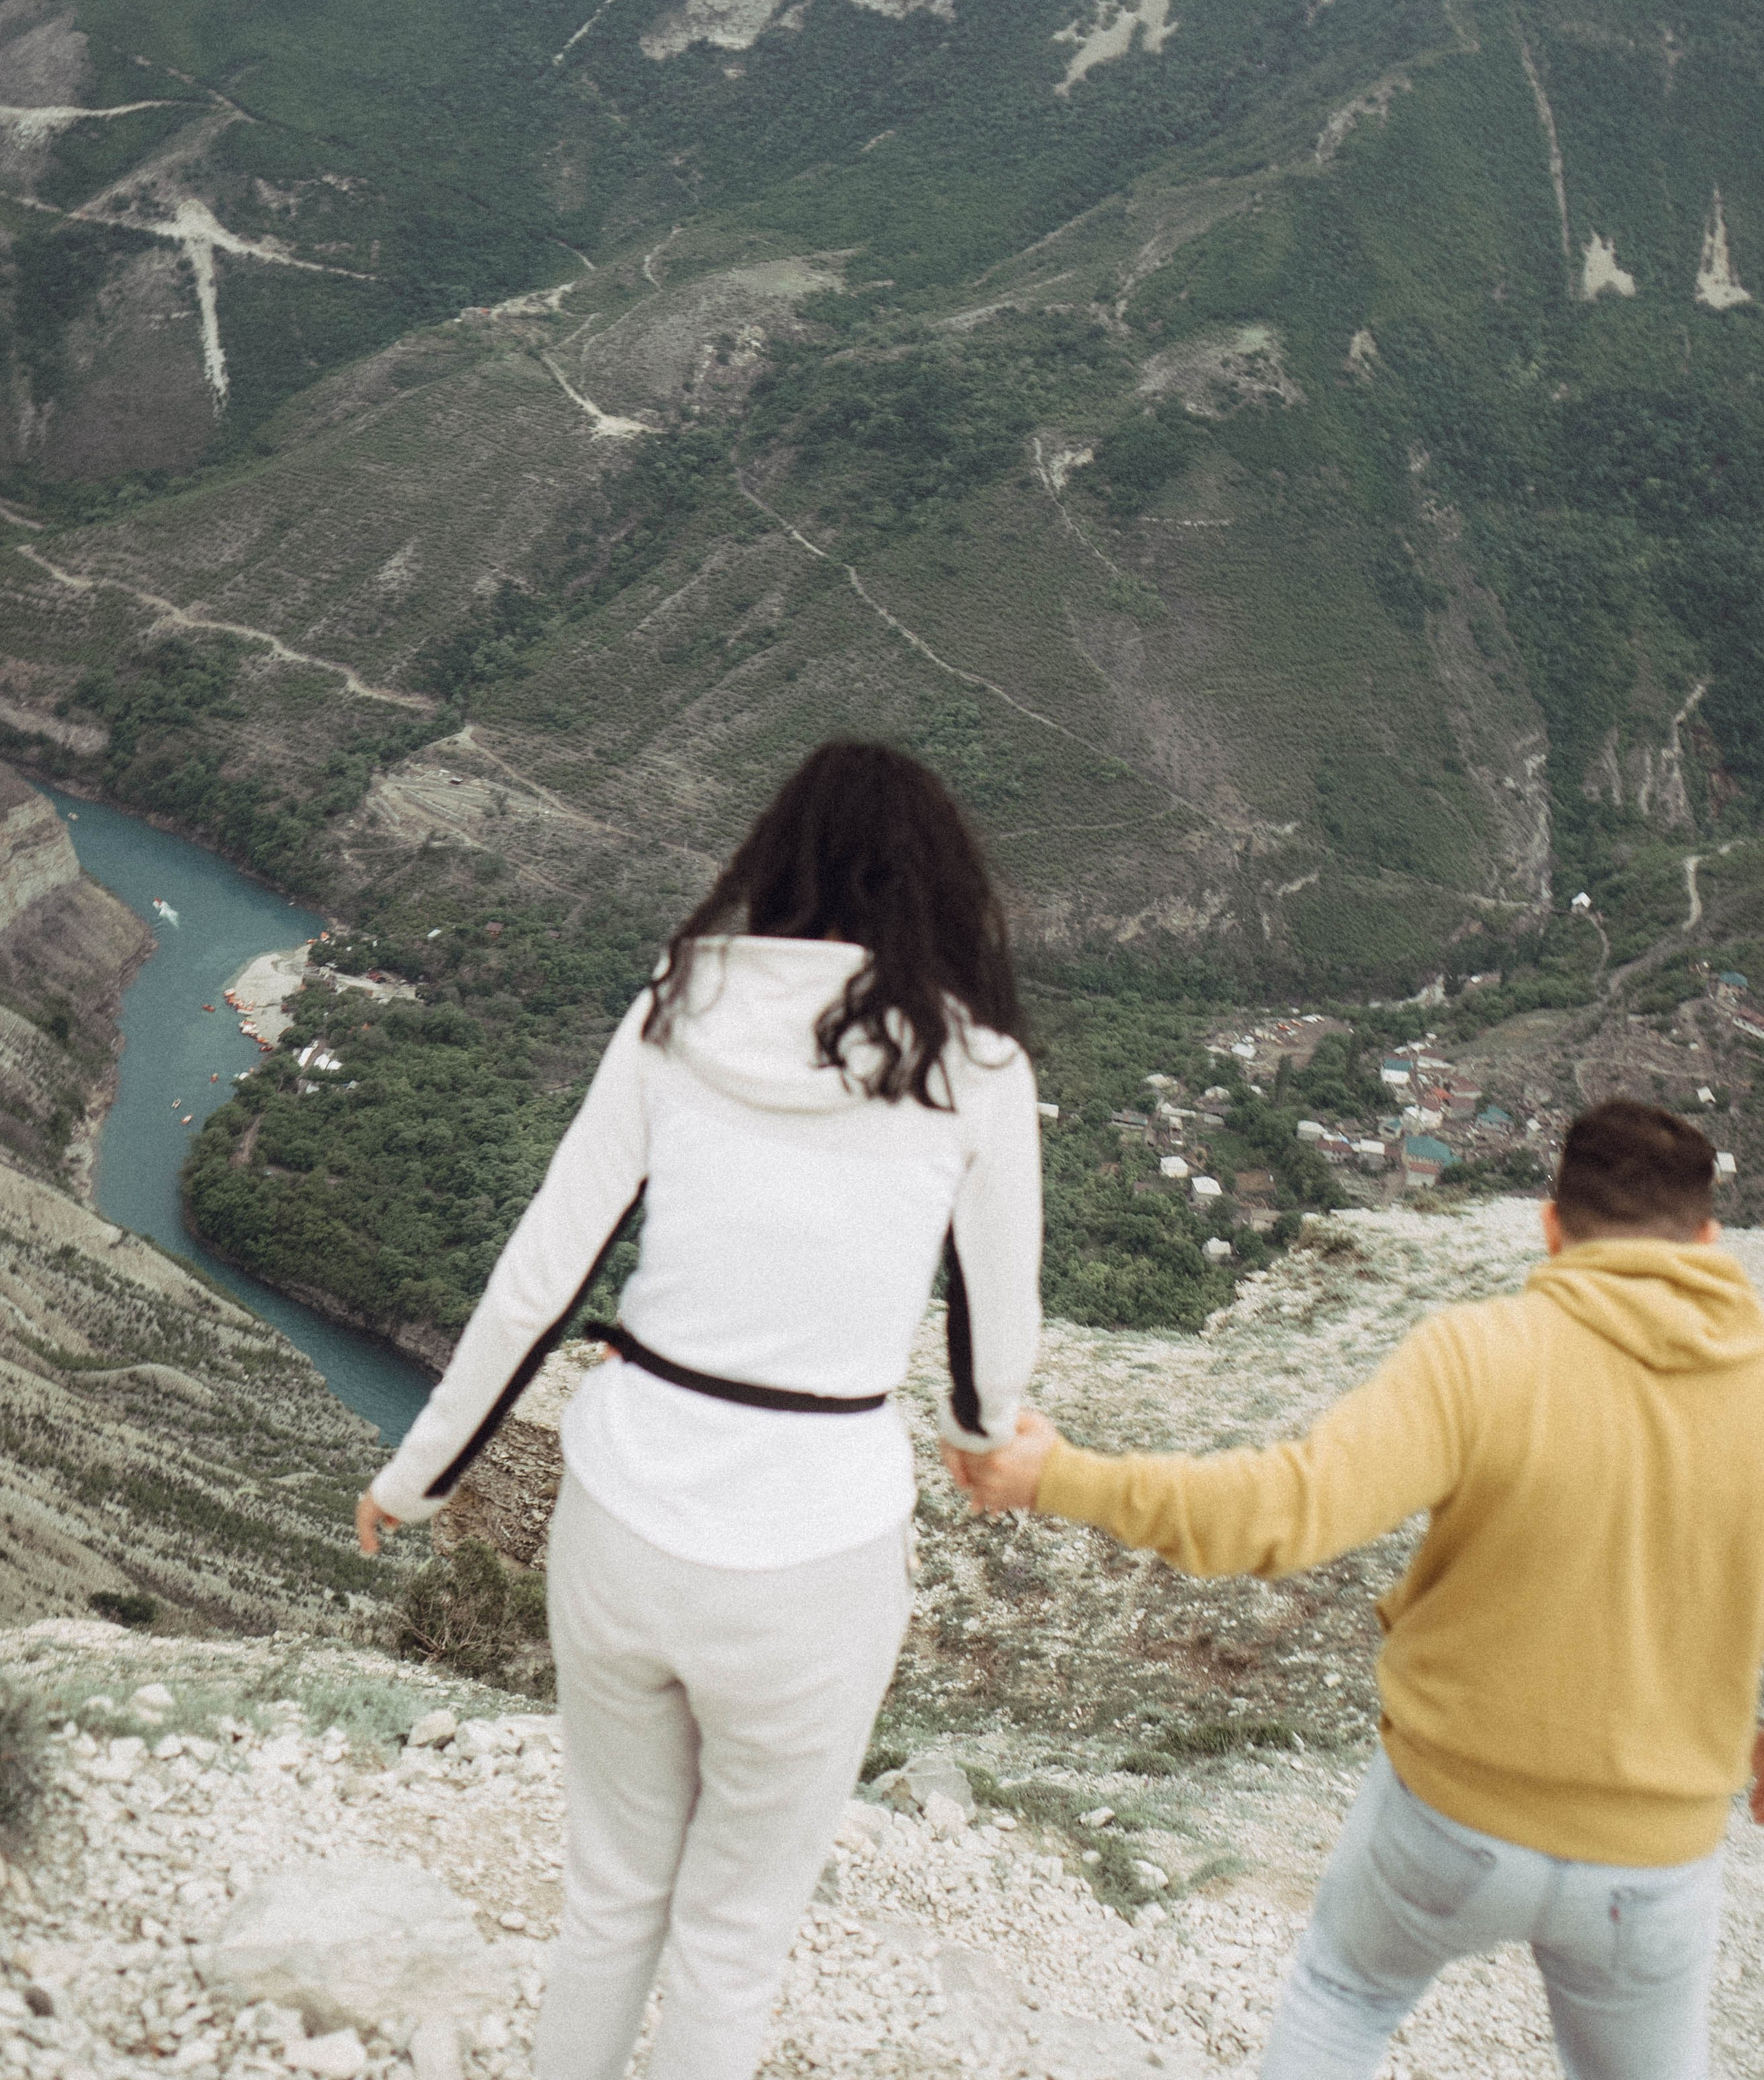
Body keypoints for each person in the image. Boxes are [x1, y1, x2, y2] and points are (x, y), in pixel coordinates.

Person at [356, 741, 1043, 2080]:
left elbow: (541, 1278)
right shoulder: (976, 1069)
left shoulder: (674, 1008)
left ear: (772, 863)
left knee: (610, 1904)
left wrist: (419, 1475)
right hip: (818, 1552)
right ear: (940, 893)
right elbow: (987, 1348)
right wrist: (973, 1443)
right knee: (730, 1947)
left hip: (623, 1518)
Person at [947, 1098, 1764, 2080]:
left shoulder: (1481, 1355)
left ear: (1551, 1227)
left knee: (1347, 1995)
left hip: (1453, 1817)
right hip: (1655, 1850)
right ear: (1709, 1240)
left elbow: (1285, 1510)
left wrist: (1057, 1477)